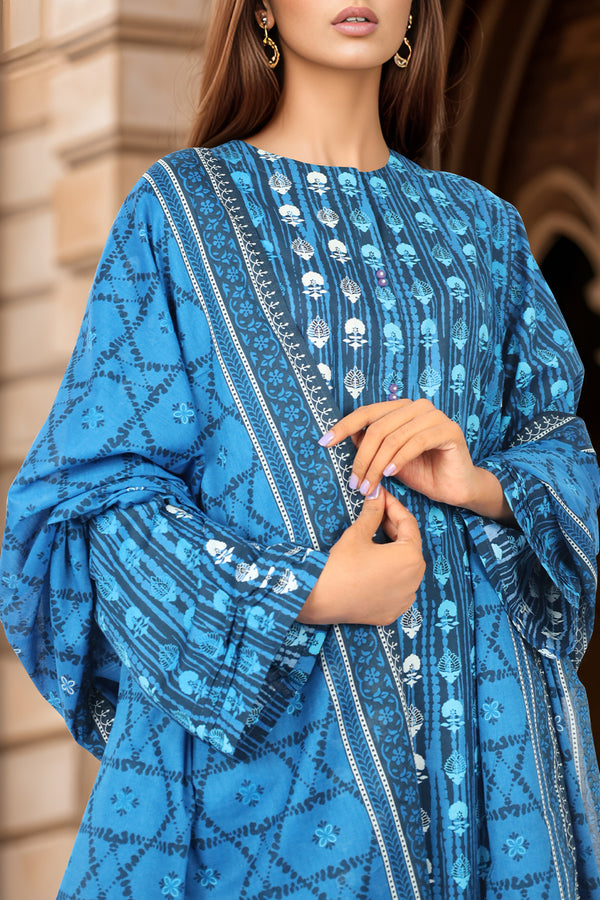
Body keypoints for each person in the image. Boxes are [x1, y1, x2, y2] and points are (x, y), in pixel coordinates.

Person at [1, 0, 599, 896]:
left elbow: (562, 447)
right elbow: (94, 502)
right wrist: (313, 592)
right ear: (262, 10)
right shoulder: (179, 212)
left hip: (482, 747)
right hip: (272, 778)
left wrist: (480, 483)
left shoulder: (485, 232)